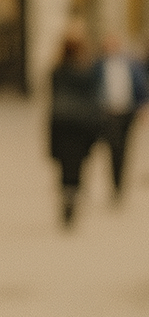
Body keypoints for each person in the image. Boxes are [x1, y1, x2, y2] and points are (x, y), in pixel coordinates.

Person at [48, 22, 100, 226]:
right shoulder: (88, 70)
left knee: (65, 165)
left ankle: (67, 193)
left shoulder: (57, 70)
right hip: (81, 124)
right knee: (78, 163)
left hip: (62, 122)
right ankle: (73, 192)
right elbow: (94, 98)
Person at [96, 33, 149, 200]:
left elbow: (142, 86)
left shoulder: (131, 64)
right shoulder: (98, 66)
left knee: (124, 148)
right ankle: (115, 183)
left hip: (127, 112)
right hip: (108, 113)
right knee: (113, 147)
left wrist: (145, 106)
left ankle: (120, 183)